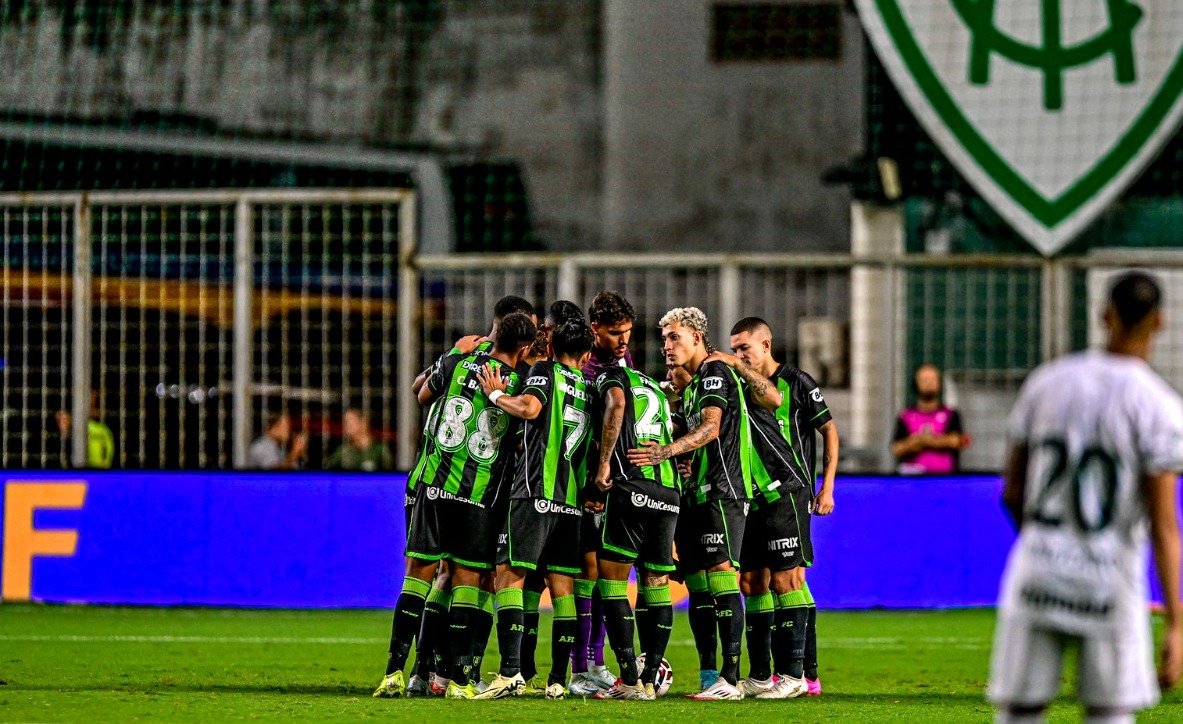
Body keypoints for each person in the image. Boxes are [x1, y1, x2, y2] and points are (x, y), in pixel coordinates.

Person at [988, 271, 1183, 722]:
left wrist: (1042, 540)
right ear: (1160, 323)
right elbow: (1164, 524)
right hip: (1109, 581)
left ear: (1104, 315)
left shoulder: (1048, 381)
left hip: (1038, 573)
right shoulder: (1160, 407)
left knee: (1020, 709)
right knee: (1110, 711)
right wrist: (1176, 621)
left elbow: (1012, 489)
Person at [374, 311, 537, 700]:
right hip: (478, 495)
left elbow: (422, 393)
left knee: (418, 579)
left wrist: (452, 355)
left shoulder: (461, 362)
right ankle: (460, 681)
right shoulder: (520, 384)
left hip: (433, 486)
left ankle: (395, 673)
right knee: (468, 583)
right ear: (526, 347)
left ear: (492, 333)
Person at [626, 306, 781, 700]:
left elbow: (711, 428)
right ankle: (711, 673)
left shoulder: (714, 371)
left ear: (696, 336)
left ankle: (732, 678)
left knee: (721, 573)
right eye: (664, 340)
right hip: (699, 491)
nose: (667, 347)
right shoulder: (693, 384)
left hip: (723, 491)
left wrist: (667, 451)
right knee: (698, 582)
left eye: (675, 337)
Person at [473, 321, 597, 700]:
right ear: (588, 355)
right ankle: (559, 679)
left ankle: (510, 672)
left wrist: (495, 396)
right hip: (571, 501)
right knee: (563, 589)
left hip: (534, 492)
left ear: (554, 344)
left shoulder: (544, 372)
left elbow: (529, 408)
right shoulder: (591, 389)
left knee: (508, 574)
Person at [728, 316, 840, 698]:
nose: (740, 355)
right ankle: (769, 675)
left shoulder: (797, 382)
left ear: (766, 345)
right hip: (753, 496)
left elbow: (829, 431)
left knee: (789, 580)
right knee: (752, 581)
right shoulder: (742, 387)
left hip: (789, 493)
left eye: (745, 348)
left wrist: (826, 488)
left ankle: (804, 674)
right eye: (735, 349)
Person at [590, 356, 683, 700]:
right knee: (656, 583)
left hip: (632, 487)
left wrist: (603, 466)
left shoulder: (611, 376)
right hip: (669, 493)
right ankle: (649, 678)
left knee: (612, 582)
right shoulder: (656, 389)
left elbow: (616, 403)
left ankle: (628, 678)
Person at [570, 290, 636, 694]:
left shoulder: (621, 361)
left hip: (606, 483)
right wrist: (597, 469)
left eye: (628, 332)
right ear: (594, 330)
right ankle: (579, 666)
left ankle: (594, 663)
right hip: (580, 481)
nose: (624, 340)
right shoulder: (585, 367)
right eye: (615, 333)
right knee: (582, 572)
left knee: (597, 573)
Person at [891, 363, 969, 474]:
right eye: (924, 380)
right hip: (912, 481)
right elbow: (897, 448)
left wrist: (925, 441)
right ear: (916, 384)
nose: (929, 383)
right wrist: (921, 441)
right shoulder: (905, 416)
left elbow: (957, 441)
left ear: (939, 384)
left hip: (945, 480)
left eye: (933, 379)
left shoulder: (950, 414)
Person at [55, 390, 115, 469]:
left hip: (99, 467)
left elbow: (110, 448)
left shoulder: (103, 425)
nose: (90, 399)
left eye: (92, 396)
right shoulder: (73, 420)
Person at [326, 409, 393, 471]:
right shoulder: (342, 452)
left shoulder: (379, 450)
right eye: (345, 423)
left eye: (350, 422)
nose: (346, 427)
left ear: (363, 423)